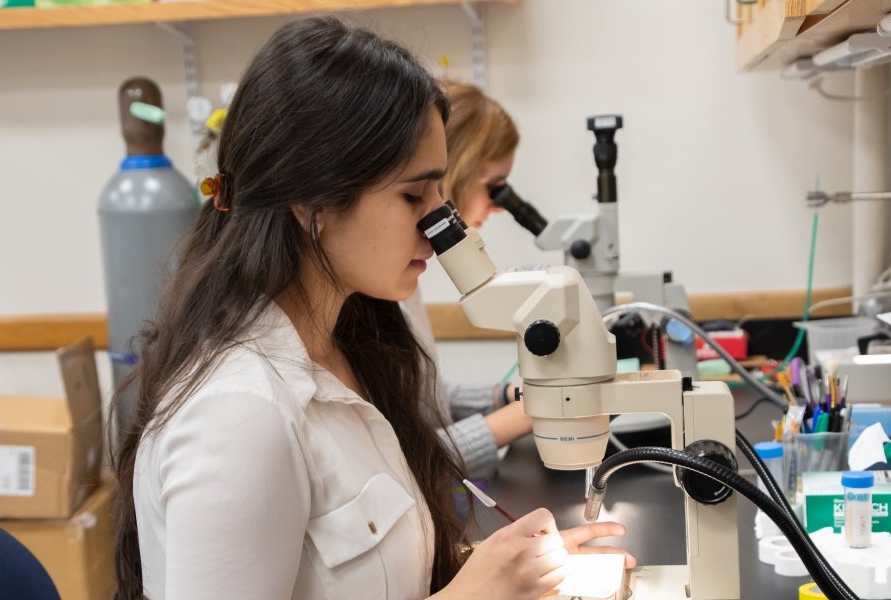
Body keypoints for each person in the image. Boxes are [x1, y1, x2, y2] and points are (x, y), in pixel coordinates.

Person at [113, 16, 635, 600]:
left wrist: (502, 569)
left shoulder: (349, 349)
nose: (444, 226)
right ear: (313, 201)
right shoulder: (240, 416)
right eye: (415, 193)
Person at [402, 80, 531, 477]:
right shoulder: (372, 287)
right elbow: (400, 461)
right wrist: (533, 413)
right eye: (494, 189)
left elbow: (420, 400)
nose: (501, 208)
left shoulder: (403, 275)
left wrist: (507, 396)